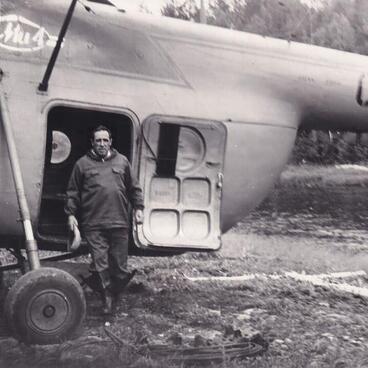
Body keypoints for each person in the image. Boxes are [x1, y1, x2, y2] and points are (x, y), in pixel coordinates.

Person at [65, 125, 144, 315]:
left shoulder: (122, 161)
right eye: (98, 140)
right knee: (100, 265)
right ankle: (106, 300)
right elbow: (73, 192)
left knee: (119, 265)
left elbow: (134, 187)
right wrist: (70, 214)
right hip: (94, 224)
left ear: (110, 142)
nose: (102, 144)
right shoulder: (82, 164)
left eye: (105, 140)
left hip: (119, 222)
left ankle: (115, 295)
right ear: (92, 142)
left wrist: (139, 207)